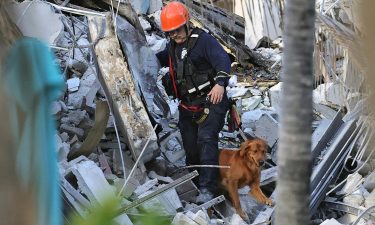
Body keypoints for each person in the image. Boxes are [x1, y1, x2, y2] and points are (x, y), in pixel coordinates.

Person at [156, 1, 231, 203]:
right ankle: (195, 184)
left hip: (211, 100)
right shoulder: (172, 46)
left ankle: (208, 189)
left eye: (177, 30)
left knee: (206, 140)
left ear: (186, 23)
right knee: (190, 147)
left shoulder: (204, 41)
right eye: (170, 33)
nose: (175, 36)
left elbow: (223, 60)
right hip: (188, 105)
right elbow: (161, 59)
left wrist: (220, 83)